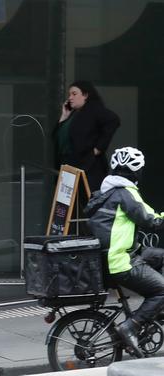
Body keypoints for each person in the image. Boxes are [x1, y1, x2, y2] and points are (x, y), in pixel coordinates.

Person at [86, 146, 164, 358]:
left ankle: (155, 313)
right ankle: (132, 325)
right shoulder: (126, 193)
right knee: (162, 290)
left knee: (160, 256)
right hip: (120, 260)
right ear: (136, 172)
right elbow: (152, 220)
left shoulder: (106, 191)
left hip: (108, 257)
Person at [54, 80, 120, 192]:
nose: (70, 98)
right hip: (70, 167)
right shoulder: (73, 114)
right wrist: (64, 116)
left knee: (87, 203)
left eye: (74, 94)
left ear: (85, 95)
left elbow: (113, 120)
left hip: (89, 168)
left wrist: (98, 148)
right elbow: (57, 137)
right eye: (69, 94)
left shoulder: (94, 110)